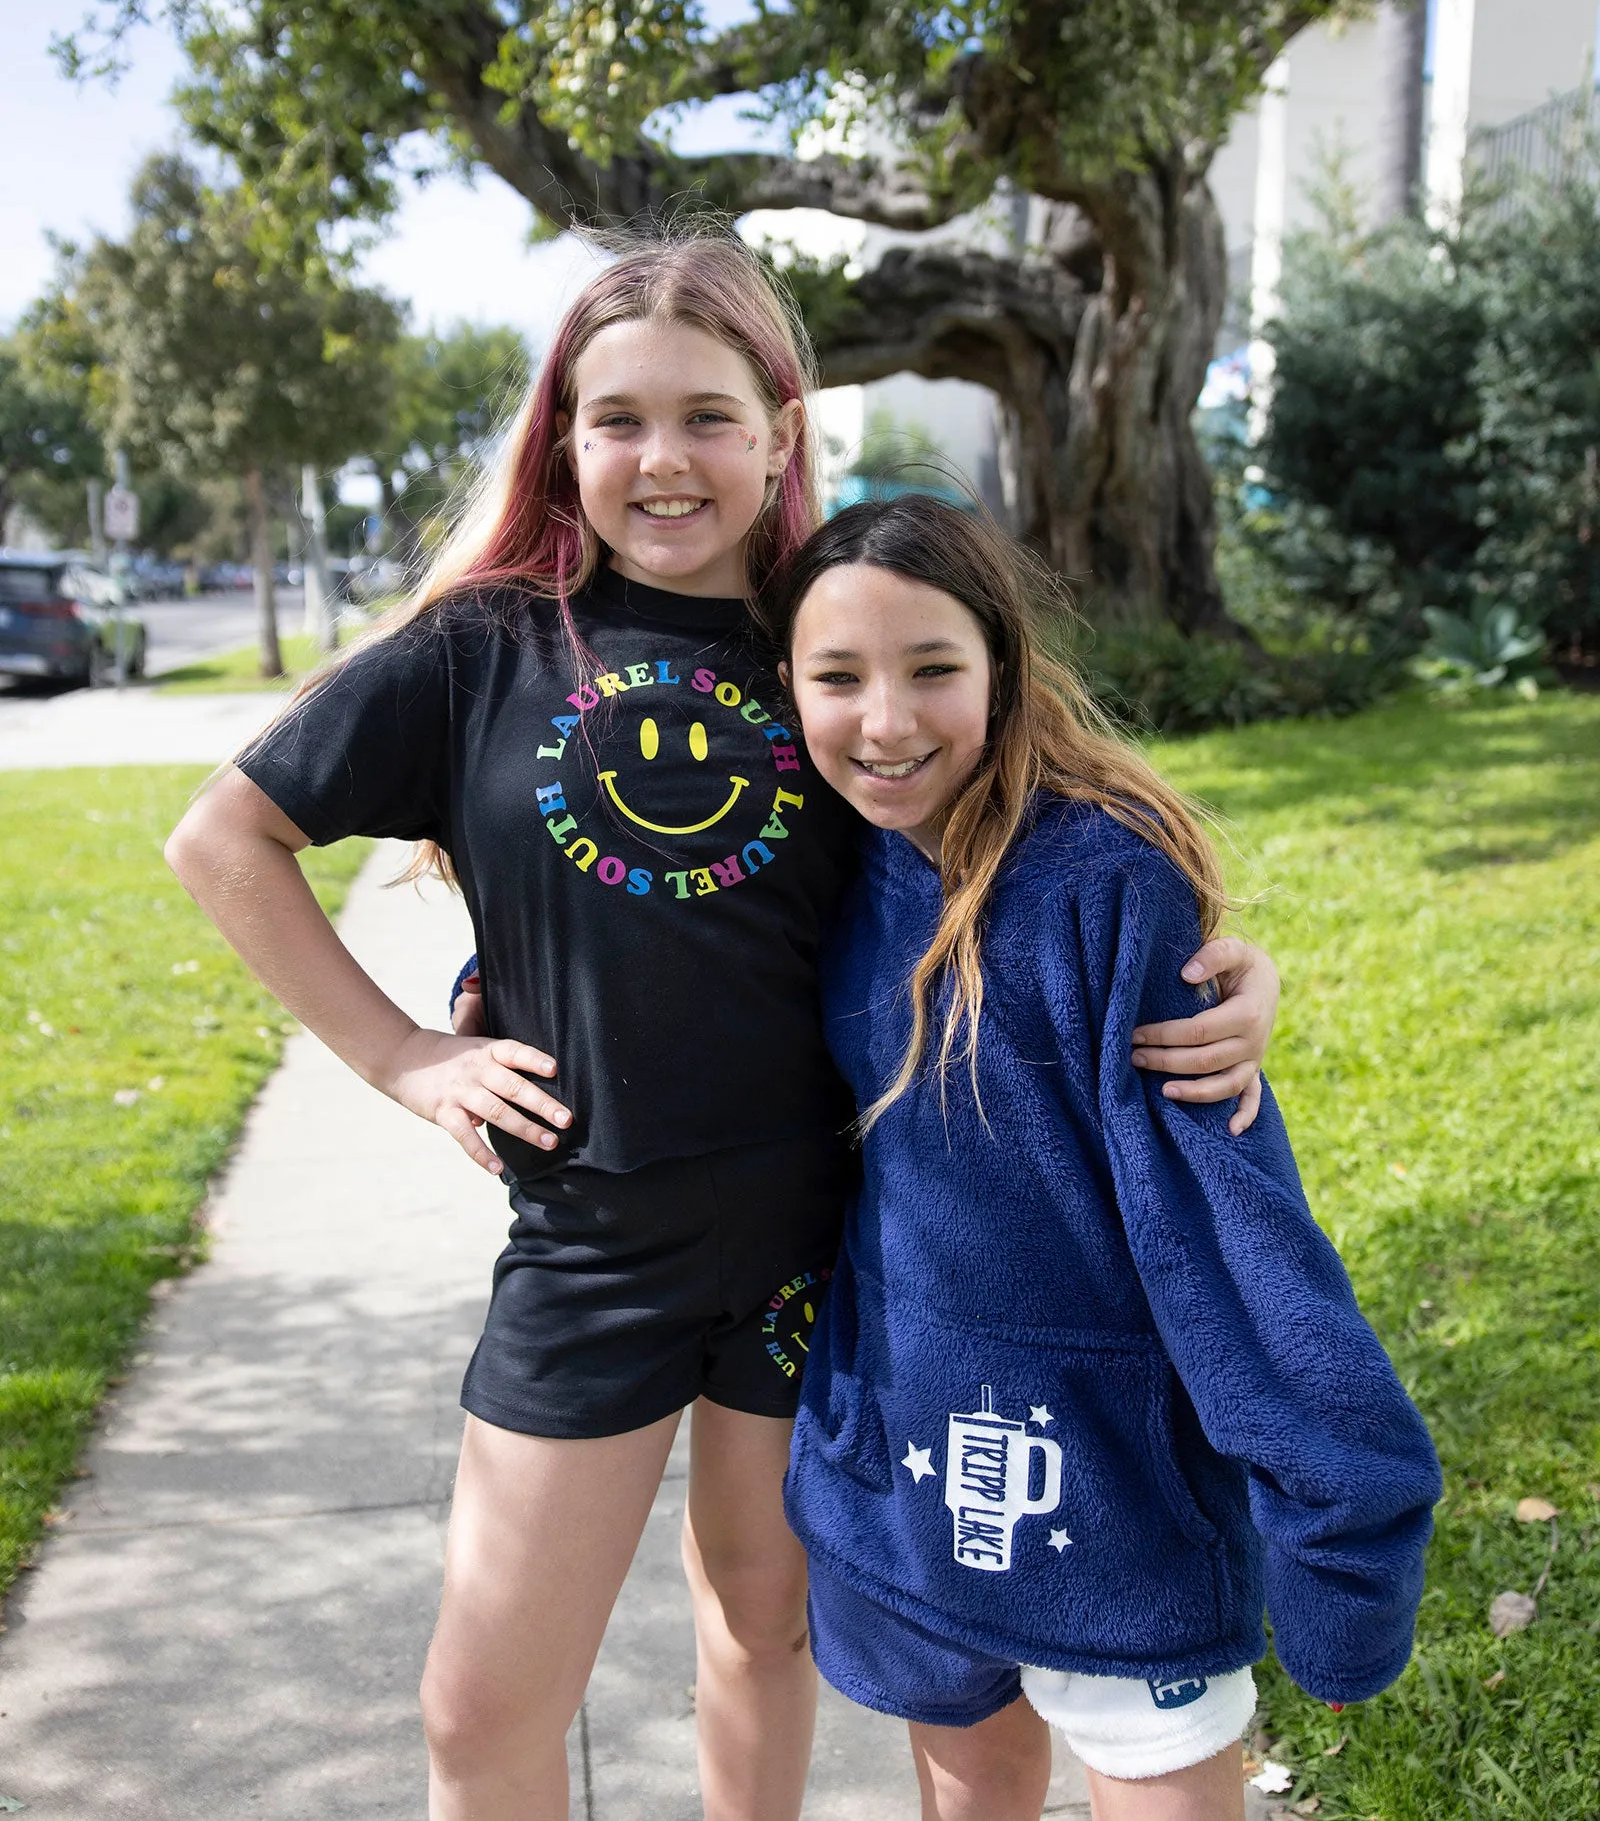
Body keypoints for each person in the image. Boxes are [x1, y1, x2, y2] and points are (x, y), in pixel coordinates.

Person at [164, 232, 1283, 1821]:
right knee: (480, 1705)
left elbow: (1043, 848)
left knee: (763, 1631)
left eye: (707, 415)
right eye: (618, 419)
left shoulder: (835, 643)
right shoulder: (487, 648)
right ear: (566, 440)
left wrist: (1226, 967)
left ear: (780, 432)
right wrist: (405, 1055)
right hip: (595, 1249)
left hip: (821, 1254)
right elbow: (223, 841)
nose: (662, 458)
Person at [765, 496, 1441, 1821]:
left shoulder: (1096, 884)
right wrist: (499, 981)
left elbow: (1230, 1229)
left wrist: (1341, 1534)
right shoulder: (818, 857)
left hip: (1111, 1488)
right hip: (899, 1459)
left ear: (1003, 669)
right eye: (837, 677)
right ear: (786, 687)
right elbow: (667, 962)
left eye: (933, 670)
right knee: (968, 1787)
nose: (885, 722)